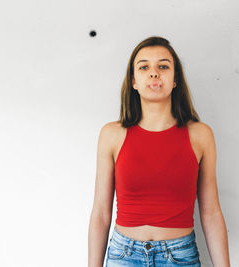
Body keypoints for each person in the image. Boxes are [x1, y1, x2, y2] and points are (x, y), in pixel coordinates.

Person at [88, 36, 230, 267]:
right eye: (144, 67)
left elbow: (211, 212)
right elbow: (101, 213)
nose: (154, 73)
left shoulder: (200, 135)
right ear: (134, 81)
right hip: (123, 256)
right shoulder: (112, 134)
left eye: (163, 66)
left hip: (179, 256)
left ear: (175, 80)